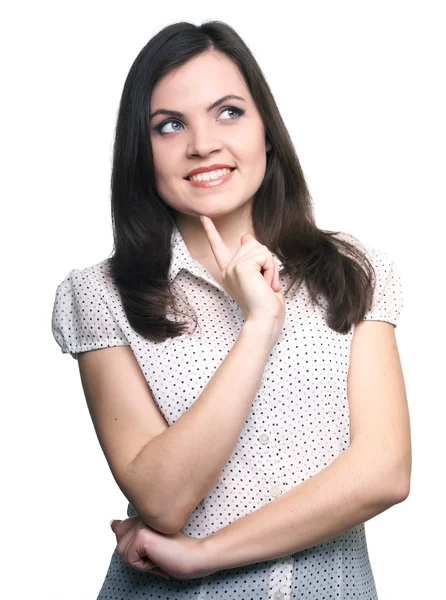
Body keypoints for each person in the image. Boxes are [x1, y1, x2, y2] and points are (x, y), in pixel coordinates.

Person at [51, 20, 411, 600]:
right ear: (141, 153)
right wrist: (258, 325)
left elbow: (385, 472)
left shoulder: (355, 270)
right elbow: (163, 500)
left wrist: (206, 555)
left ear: (267, 129)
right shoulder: (100, 294)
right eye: (170, 126)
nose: (202, 144)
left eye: (228, 112)